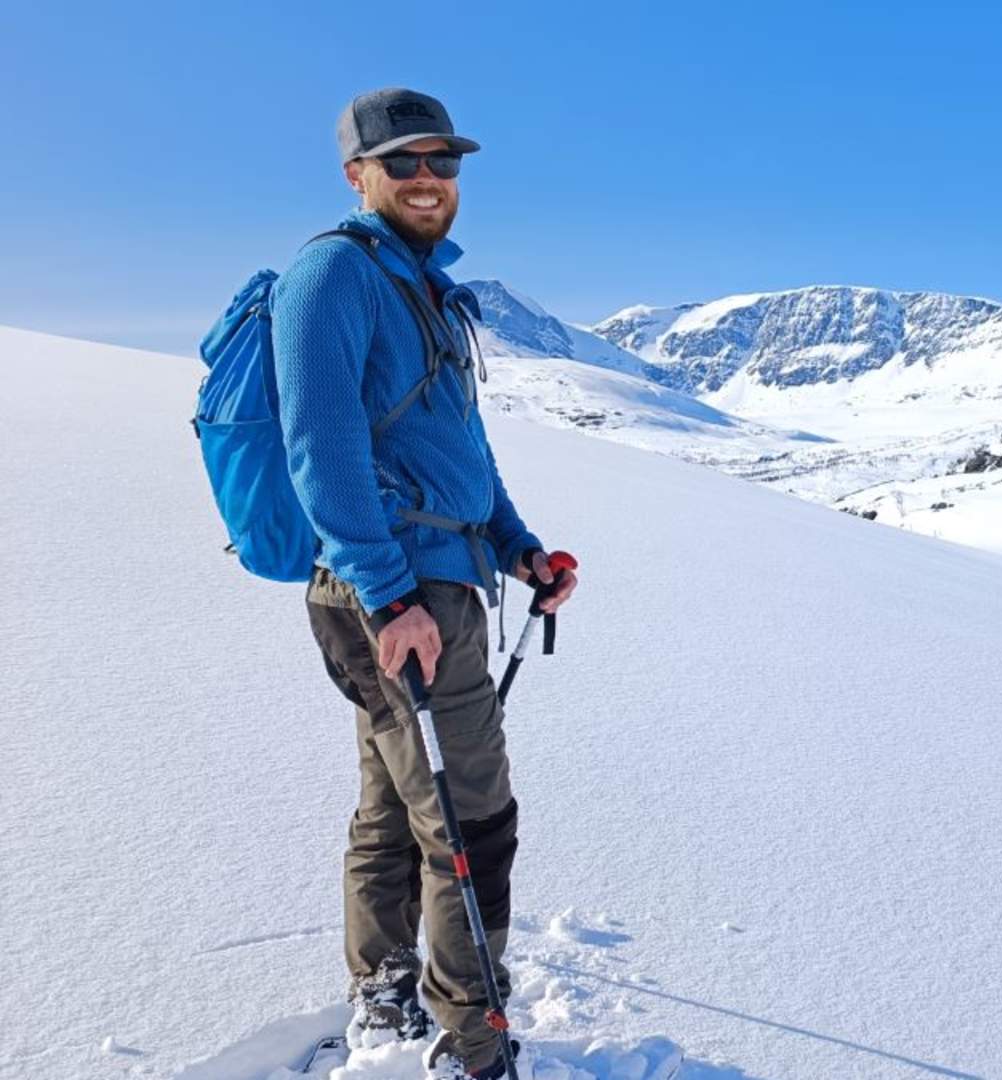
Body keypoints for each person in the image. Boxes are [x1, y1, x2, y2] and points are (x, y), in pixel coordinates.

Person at [271, 87, 576, 1080]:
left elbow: (460, 449)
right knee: (471, 814)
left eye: (442, 162)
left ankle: (385, 987)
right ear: (357, 175)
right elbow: (320, 444)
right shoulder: (335, 275)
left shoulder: (427, 291)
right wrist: (391, 596)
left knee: (397, 801)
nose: (427, 179)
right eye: (402, 161)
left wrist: (521, 548)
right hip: (395, 592)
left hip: (430, 588)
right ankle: (473, 1039)